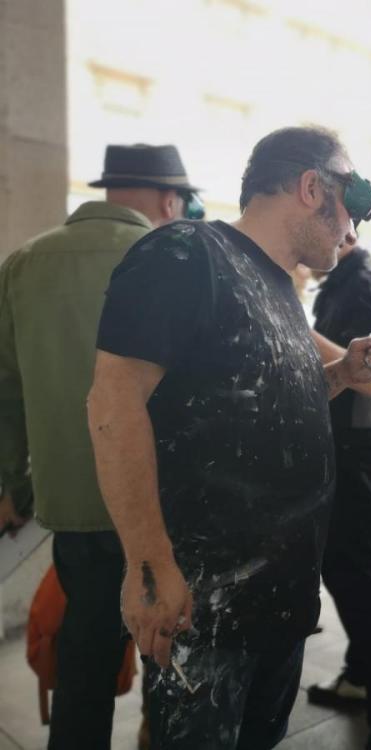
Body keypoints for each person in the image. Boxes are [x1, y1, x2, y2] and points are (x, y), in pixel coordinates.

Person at [86, 126, 371, 749]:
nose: (353, 231)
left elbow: (255, 397)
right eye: (353, 203)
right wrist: (149, 566)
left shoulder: (278, 284)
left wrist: (339, 374)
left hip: (275, 605)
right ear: (313, 188)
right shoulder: (185, 254)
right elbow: (113, 401)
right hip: (207, 607)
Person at [0, 143, 199, 749]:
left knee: (83, 665)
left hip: (74, 507)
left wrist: (14, 484)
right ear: (169, 201)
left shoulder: (24, 262)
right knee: (173, 659)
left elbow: (5, 388)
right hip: (163, 505)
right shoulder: (178, 260)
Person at [306, 232, 371, 750]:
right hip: (351, 451)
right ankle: (358, 677)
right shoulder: (338, 285)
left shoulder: (366, 286)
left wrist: (295, 326)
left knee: (368, 588)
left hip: (368, 455)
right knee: (346, 576)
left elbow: (369, 380)